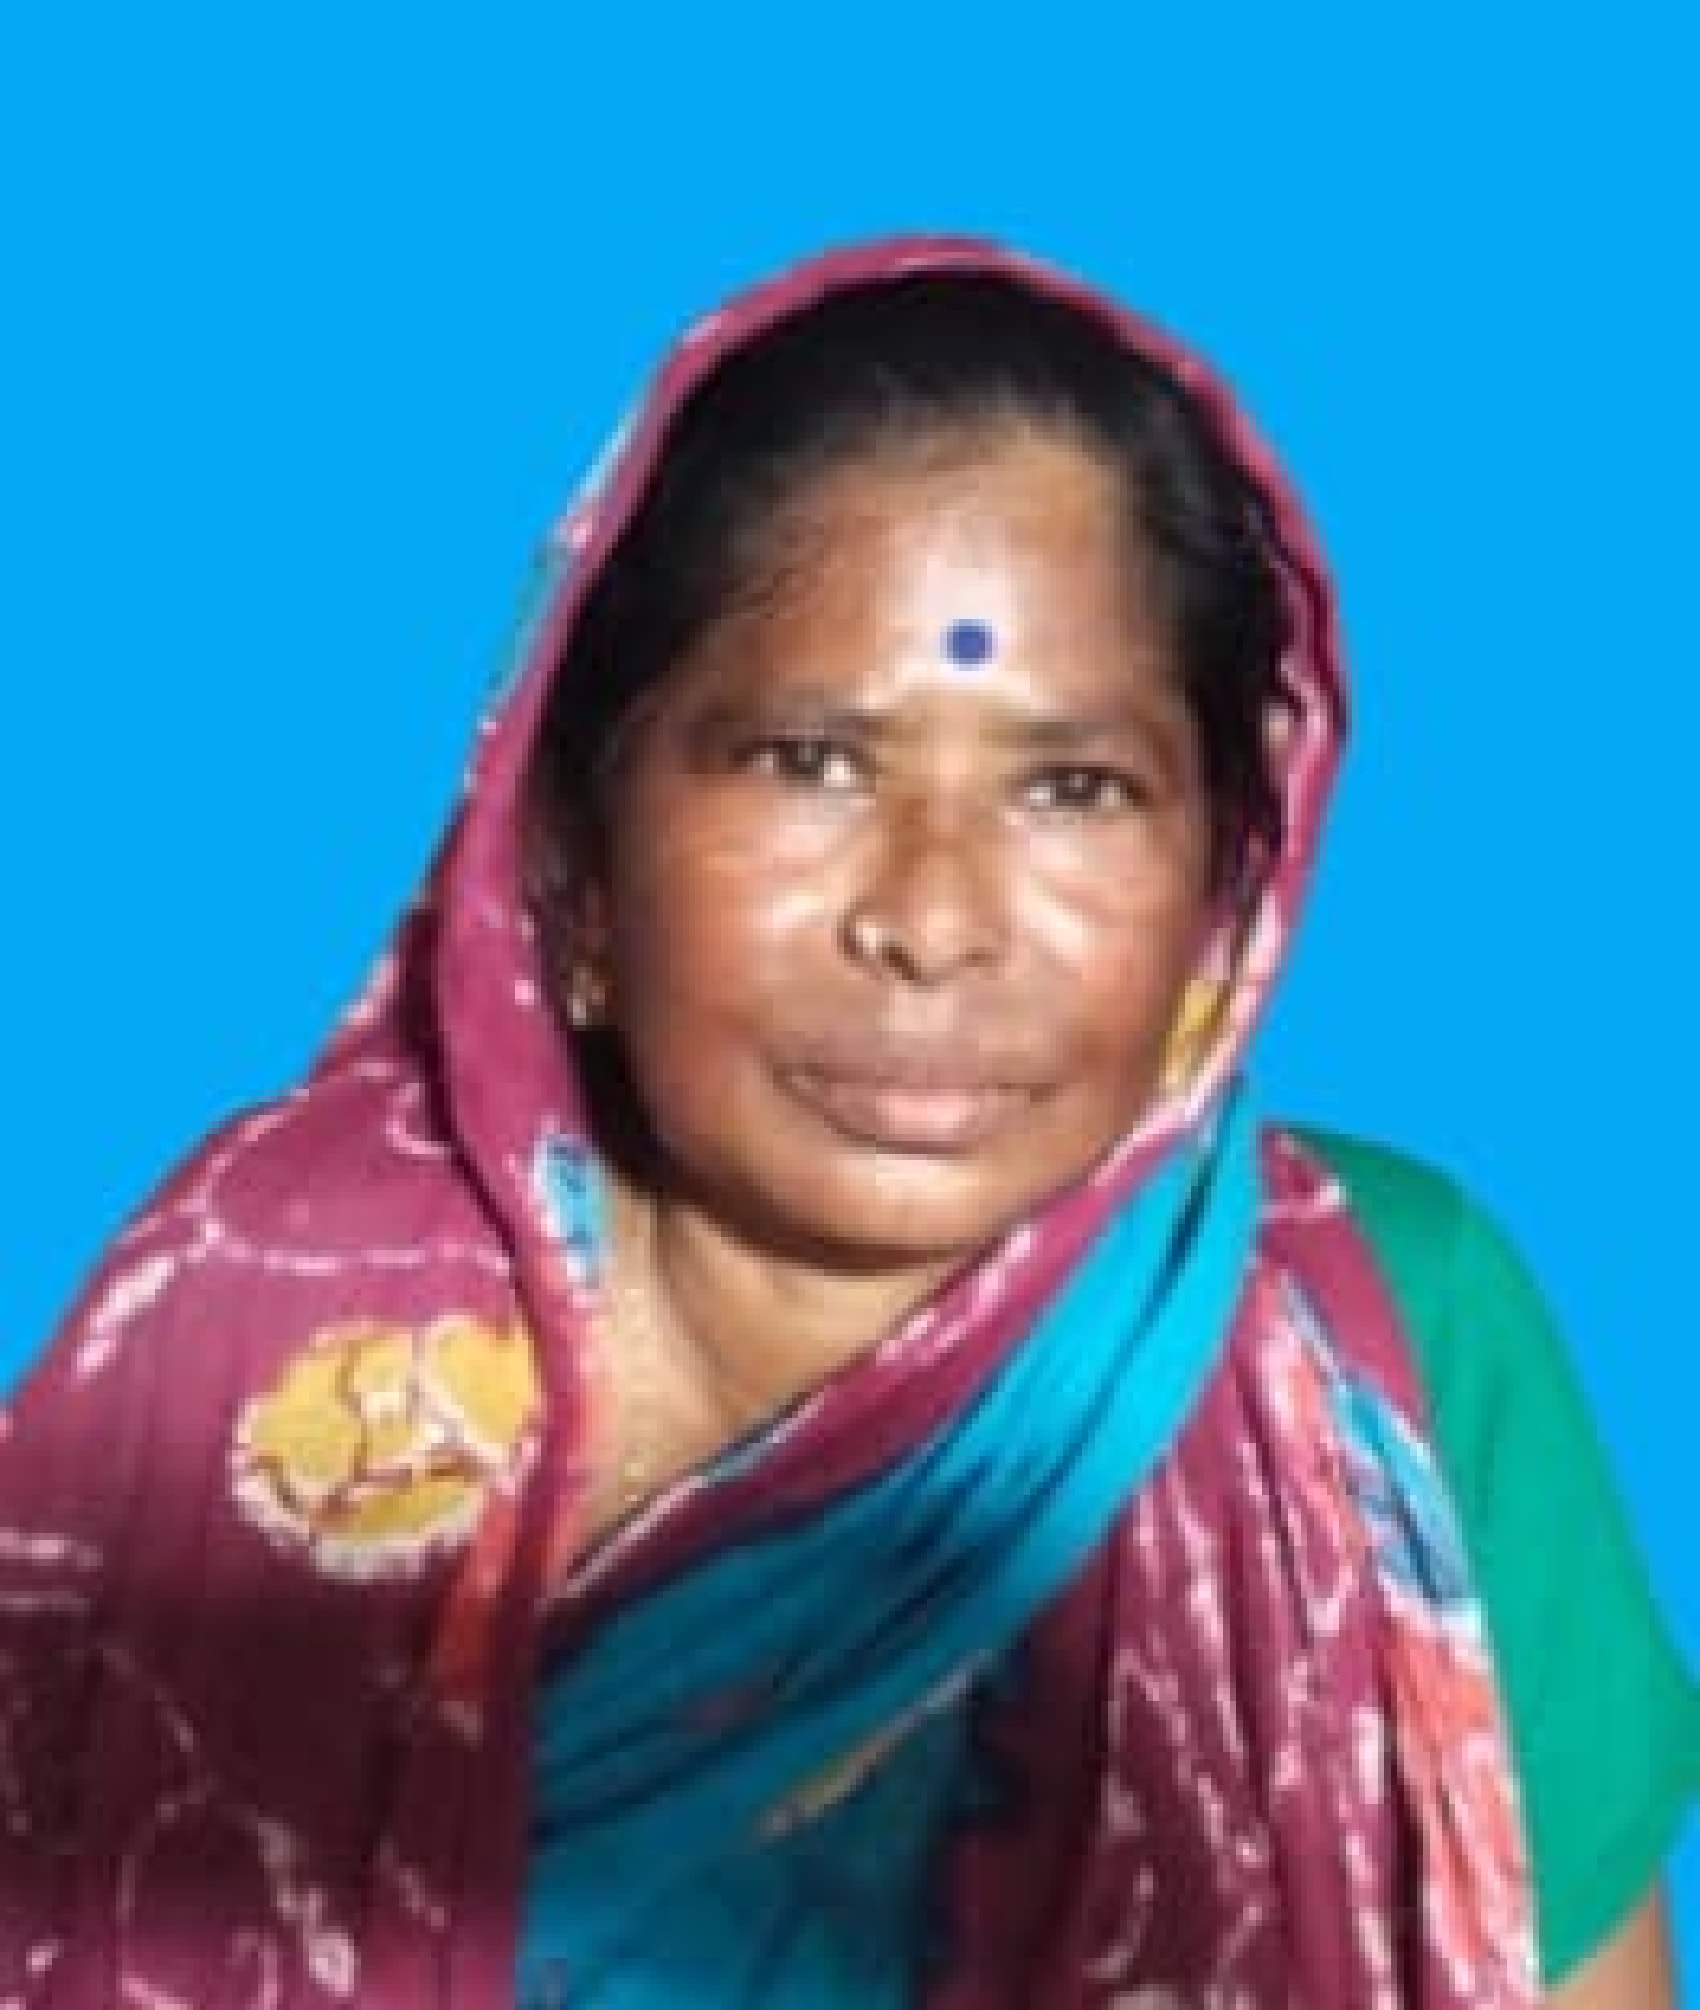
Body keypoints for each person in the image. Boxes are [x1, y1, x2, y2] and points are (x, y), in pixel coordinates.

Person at [1, 235, 1694, 2007]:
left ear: (1225, 887)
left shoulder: (1388, 1338)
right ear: (569, 864)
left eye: (1073, 786)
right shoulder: (237, 1359)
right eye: (808, 761)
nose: (932, 920)